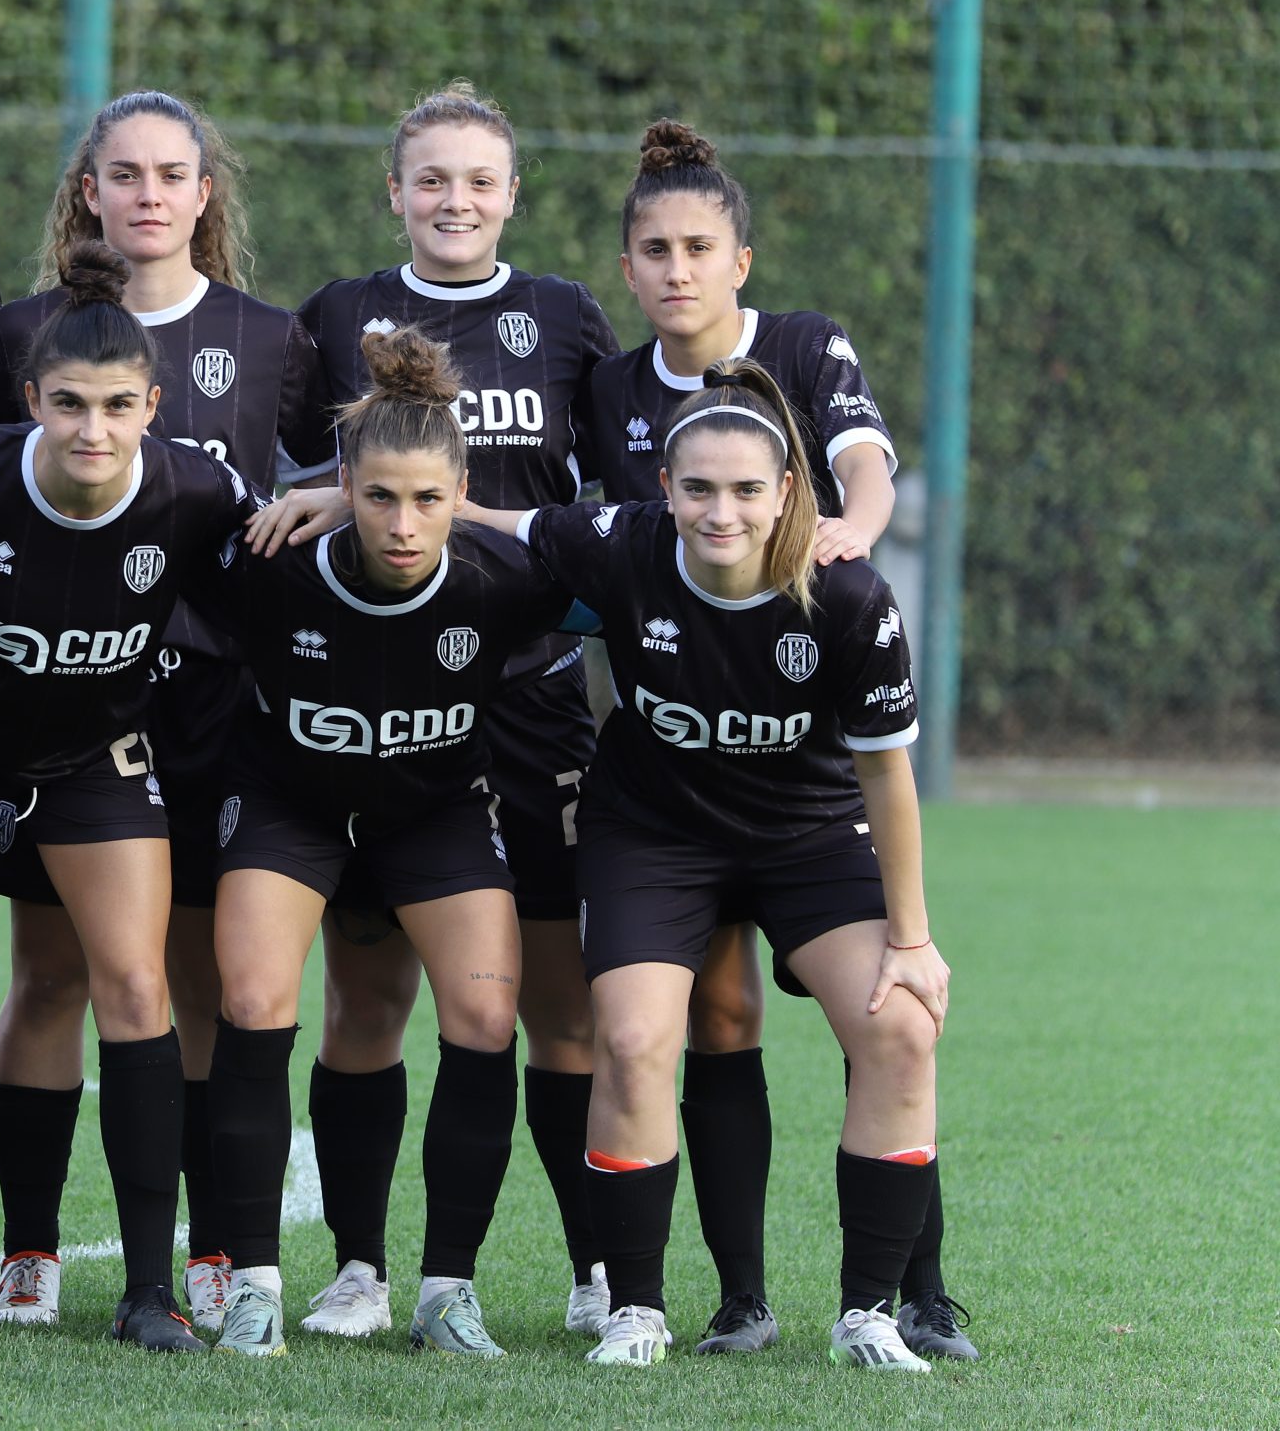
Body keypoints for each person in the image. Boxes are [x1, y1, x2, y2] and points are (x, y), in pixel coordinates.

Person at [574, 120, 967, 1358]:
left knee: (897, 1017)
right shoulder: (613, 393)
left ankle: (904, 1296)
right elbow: (550, 540)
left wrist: (852, 527)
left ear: (740, 258)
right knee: (707, 1020)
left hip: (799, 809)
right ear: (627, 266)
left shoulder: (801, 352)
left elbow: (862, 459)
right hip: (666, 802)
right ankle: (716, 1300)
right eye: (653, 249)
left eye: (699, 246)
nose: (677, 268)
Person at [0, 89, 327, 1327]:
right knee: (51, 972)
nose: (150, 194)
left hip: (211, 702)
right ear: (88, 193)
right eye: (125, 174)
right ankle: (29, 1252)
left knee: (195, 983)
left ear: (205, 195)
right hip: (59, 698)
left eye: (174, 174)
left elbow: (323, 498)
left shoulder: (271, 339)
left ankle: (209, 1256)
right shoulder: (21, 336)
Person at [0, 242, 257, 1348]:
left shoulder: (196, 488)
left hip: (90, 750)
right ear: (29, 399)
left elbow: (282, 549)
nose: (92, 430)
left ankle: (148, 1294)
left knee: (132, 981)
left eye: (119, 407)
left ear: (154, 405)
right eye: (67, 404)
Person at [510, 359, 946, 1372]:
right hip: (652, 837)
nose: (721, 510)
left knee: (901, 1027)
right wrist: (330, 497)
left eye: (747, 489)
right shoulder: (619, 544)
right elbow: (491, 523)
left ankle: (866, 1314)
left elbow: (888, 778)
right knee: (628, 1041)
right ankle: (636, 1309)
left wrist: (912, 941)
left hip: (807, 835)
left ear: (789, 492)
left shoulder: (848, 597)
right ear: (662, 488)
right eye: (697, 487)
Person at [288, 83, 619, 1338]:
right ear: (394, 191)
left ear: (512, 195)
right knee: (368, 998)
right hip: (384, 711)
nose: (454, 202)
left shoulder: (565, 320)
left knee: (554, 1005)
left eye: (478, 181)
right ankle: (361, 1273)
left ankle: (594, 1273)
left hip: (529, 704)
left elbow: (604, 509)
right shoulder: (335, 318)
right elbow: (291, 490)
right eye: (431, 179)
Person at [196, 327, 576, 1359]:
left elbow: (638, 548)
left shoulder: (504, 576)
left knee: (487, 1014)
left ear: (461, 492)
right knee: (253, 1001)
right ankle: (261, 1288)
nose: (403, 524)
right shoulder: (272, 561)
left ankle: (446, 1294)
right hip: (290, 804)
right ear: (337, 489)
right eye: (376, 497)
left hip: (435, 811)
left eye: (426, 499)